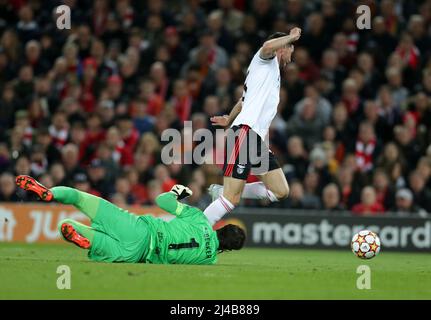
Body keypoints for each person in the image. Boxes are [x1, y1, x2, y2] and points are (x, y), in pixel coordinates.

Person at [15, 175, 245, 265]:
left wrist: (177, 191)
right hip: (138, 256)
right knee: (67, 227)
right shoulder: (208, 260)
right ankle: (82, 236)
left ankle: (50, 193)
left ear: (221, 227)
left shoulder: (198, 218)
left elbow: (162, 201)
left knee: (80, 199)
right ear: (229, 249)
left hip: (139, 230)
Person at [204, 27, 302, 225]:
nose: (292, 52)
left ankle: (222, 191)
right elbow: (266, 46)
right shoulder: (264, 60)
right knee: (231, 200)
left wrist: (228, 119)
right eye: (291, 47)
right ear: (283, 47)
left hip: (254, 138)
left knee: (280, 191)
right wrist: (290, 36)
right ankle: (195, 233)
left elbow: (243, 101)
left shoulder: (269, 75)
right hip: (244, 133)